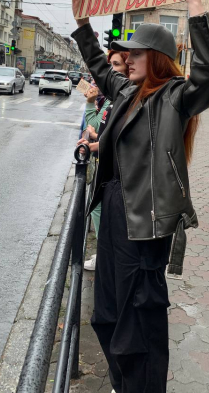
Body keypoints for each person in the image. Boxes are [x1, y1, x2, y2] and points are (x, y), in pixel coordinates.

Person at [71, 0, 209, 393]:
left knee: (140, 322)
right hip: (117, 210)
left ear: (157, 57)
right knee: (106, 315)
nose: (127, 58)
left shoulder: (175, 97)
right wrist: (83, 24)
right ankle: (124, 383)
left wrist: (195, 3)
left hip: (146, 224)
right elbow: (101, 69)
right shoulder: (127, 92)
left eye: (136, 53)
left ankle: (141, 387)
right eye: (127, 52)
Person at [83, 50, 129, 271]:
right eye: (109, 64)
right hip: (106, 165)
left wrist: (98, 143)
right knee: (98, 209)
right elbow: (102, 130)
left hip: (113, 169)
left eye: (116, 64)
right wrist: (96, 138)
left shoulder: (122, 99)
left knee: (100, 209)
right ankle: (104, 255)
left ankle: (104, 256)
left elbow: (120, 137)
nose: (110, 70)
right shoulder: (113, 98)